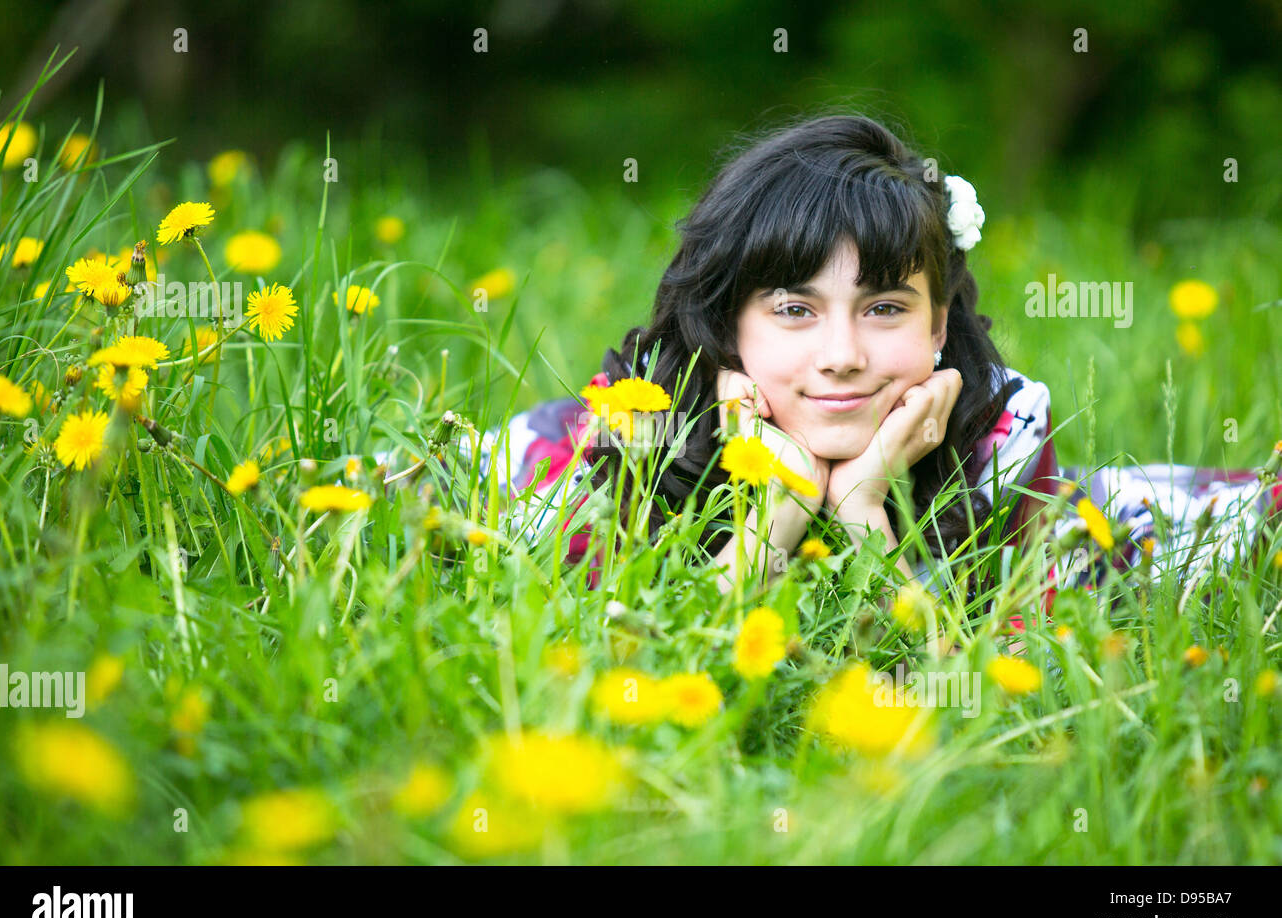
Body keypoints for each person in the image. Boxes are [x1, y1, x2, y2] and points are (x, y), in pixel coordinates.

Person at [465, 113, 1282, 608]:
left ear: (936, 328)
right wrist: (776, 511)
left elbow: (948, 687)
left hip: (1088, 519)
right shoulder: (630, 434)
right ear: (729, 327)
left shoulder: (1000, 433)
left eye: (886, 308)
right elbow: (652, 669)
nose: (844, 356)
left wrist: (861, 509)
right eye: (794, 309)